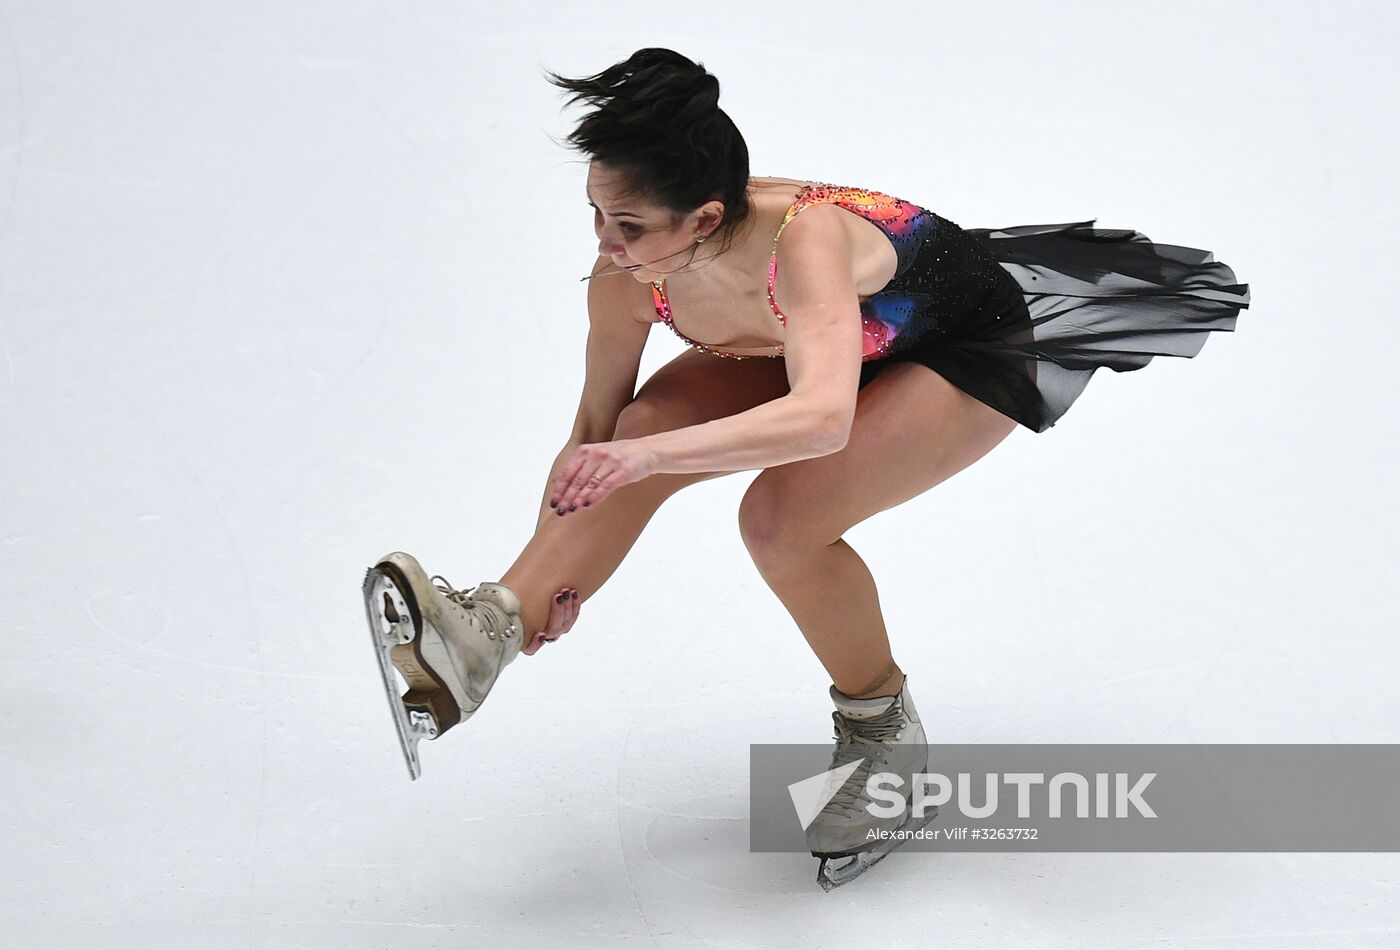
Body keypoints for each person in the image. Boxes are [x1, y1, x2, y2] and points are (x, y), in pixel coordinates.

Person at [362, 47, 1251, 887]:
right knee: (642, 421)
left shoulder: (808, 241)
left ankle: (883, 733)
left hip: (958, 345)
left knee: (782, 522)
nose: (604, 243)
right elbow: (594, 436)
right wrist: (561, 572)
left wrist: (644, 457)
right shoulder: (623, 275)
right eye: (596, 214)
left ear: (706, 218)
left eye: (628, 224)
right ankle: (491, 635)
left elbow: (821, 419)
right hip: (812, 342)